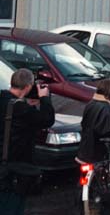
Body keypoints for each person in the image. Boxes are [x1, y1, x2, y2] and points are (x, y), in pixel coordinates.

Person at [0, 68, 55, 215]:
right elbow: (47, 119)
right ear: (28, 87)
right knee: (12, 206)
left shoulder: (5, 101)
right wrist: (44, 98)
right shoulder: (20, 109)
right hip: (13, 170)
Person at [76, 78, 110, 165]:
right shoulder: (106, 107)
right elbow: (105, 132)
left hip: (84, 150)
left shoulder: (90, 103)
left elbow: (84, 123)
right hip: (97, 152)